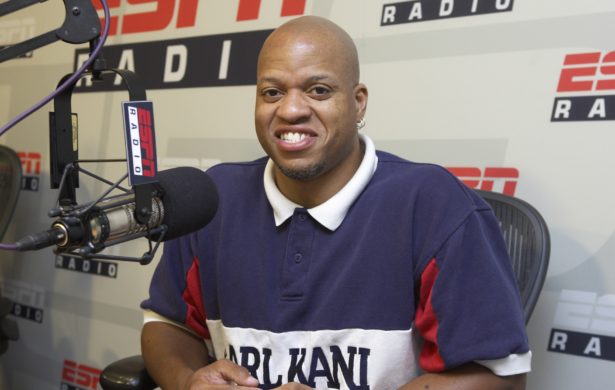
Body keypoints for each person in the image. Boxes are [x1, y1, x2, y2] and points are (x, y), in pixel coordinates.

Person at [140, 15, 531, 390]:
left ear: (358, 103)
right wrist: (186, 381)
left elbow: (500, 376)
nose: (291, 110)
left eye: (318, 90)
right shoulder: (214, 199)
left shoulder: (433, 204)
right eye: (272, 92)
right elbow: (166, 325)